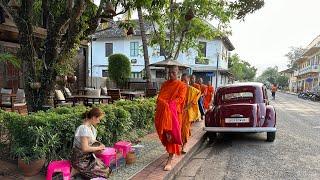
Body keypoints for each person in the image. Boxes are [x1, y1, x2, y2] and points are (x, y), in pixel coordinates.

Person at [155, 66, 187, 171]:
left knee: (171, 136)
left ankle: (169, 159)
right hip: (164, 113)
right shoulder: (165, 84)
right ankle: (170, 153)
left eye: (173, 73)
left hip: (174, 114)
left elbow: (181, 99)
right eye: (169, 73)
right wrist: (163, 103)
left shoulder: (182, 85)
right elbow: (160, 96)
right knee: (166, 135)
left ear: (178, 73)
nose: (171, 75)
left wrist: (169, 105)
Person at [71, 107, 111, 179]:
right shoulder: (83, 128)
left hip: (87, 157)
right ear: (93, 117)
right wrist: (99, 148)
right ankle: (76, 171)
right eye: (98, 119)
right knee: (103, 172)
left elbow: (92, 140)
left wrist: (100, 144)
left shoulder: (91, 128)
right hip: (80, 159)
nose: (99, 121)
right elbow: (85, 148)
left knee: (106, 169)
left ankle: (80, 173)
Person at [181, 74, 201, 154]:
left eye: (185, 81)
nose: (183, 82)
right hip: (179, 112)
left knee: (185, 129)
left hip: (187, 112)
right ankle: (181, 142)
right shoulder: (179, 89)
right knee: (180, 129)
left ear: (188, 80)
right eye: (182, 80)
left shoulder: (192, 89)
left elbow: (196, 97)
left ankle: (184, 146)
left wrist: (187, 107)